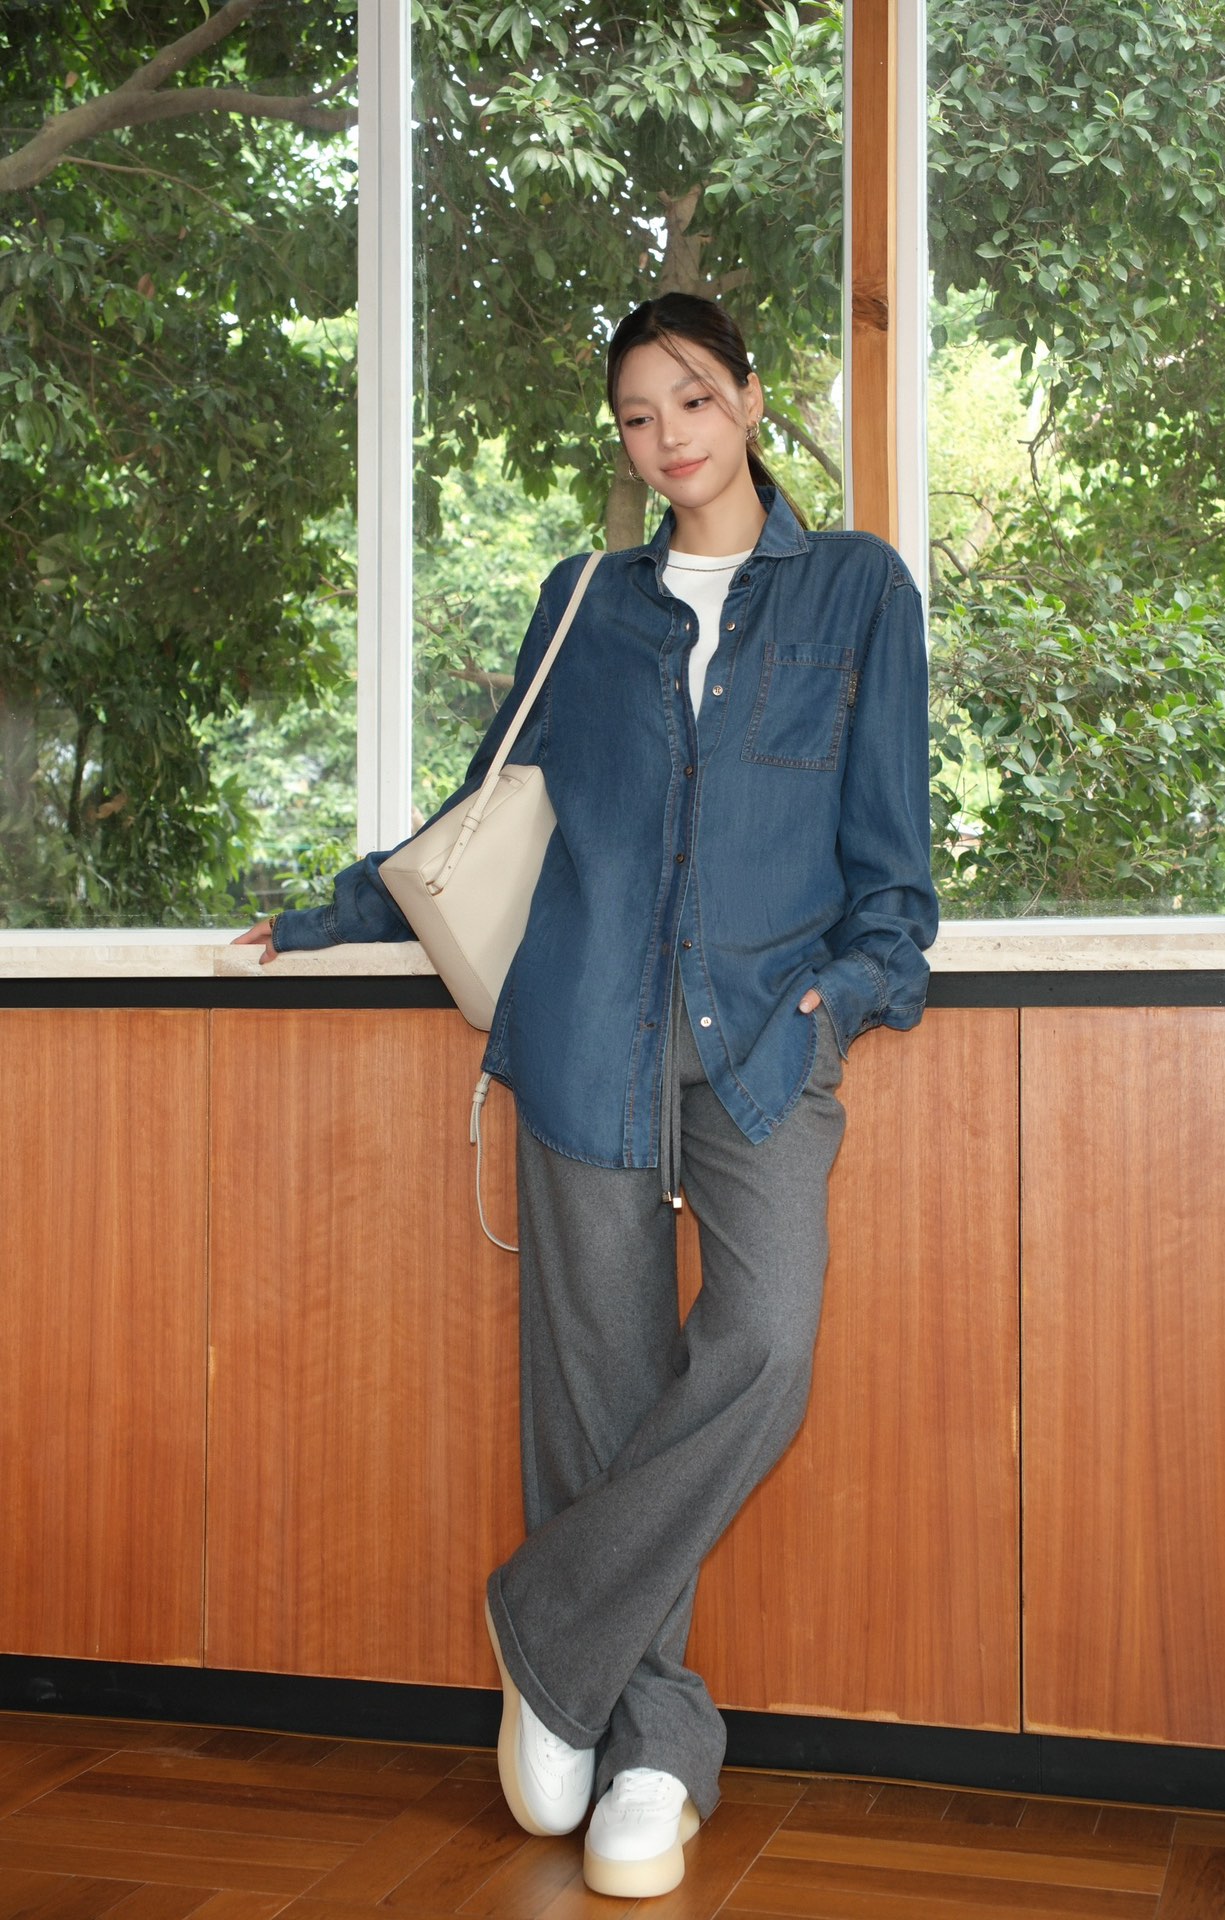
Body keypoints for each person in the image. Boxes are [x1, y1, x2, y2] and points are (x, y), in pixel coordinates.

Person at [234, 292, 938, 1899]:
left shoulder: (857, 591)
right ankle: (651, 1745)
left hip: (768, 1041)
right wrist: (329, 914)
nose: (667, 434)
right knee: (598, 1394)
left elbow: (896, 876)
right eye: (636, 415)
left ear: (748, 397)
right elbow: (479, 812)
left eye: (690, 397)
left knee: (764, 1350)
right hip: (585, 1031)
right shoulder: (586, 603)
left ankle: (543, 1625)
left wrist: (838, 1000)